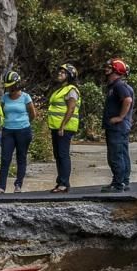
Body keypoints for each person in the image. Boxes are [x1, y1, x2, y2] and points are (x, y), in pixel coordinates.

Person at [0, 71, 36, 194]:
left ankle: (18, 185)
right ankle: (1, 187)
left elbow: (33, 114)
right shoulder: (4, 98)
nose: (8, 88)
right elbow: (1, 112)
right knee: (5, 158)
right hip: (8, 131)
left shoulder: (25, 97)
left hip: (23, 131)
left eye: (10, 85)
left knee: (21, 157)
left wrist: (24, 123)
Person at [47, 63, 81, 194]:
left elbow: (71, 108)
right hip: (56, 127)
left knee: (63, 154)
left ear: (70, 75)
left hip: (64, 127)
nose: (60, 74)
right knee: (58, 155)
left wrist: (62, 126)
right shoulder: (60, 89)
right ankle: (60, 181)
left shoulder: (71, 90)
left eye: (63, 72)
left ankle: (64, 183)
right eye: (59, 72)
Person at [101, 58, 134, 193]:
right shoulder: (116, 86)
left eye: (109, 68)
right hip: (121, 127)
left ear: (116, 70)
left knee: (115, 155)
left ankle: (118, 183)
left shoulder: (119, 86)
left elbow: (127, 100)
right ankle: (124, 181)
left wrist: (120, 117)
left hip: (117, 127)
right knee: (122, 153)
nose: (105, 69)